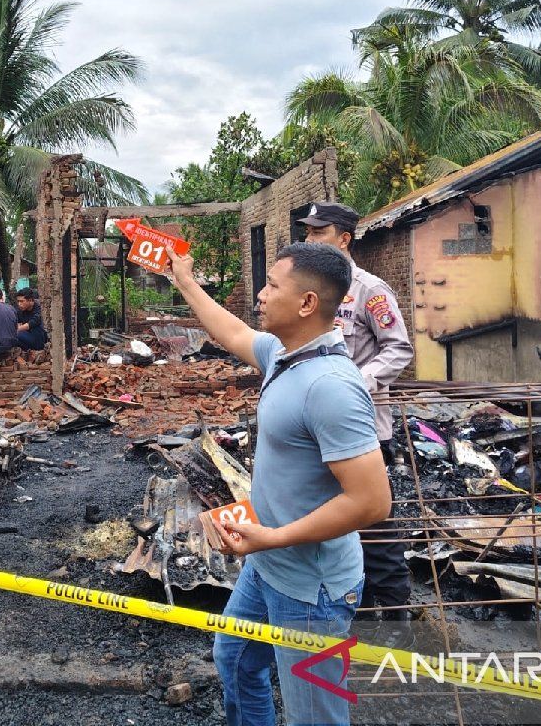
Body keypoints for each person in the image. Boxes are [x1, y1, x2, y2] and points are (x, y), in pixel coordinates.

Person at [166, 241, 391, 726]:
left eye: (272, 285)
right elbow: (232, 331)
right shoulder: (283, 356)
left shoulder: (329, 386)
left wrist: (275, 536)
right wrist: (185, 280)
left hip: (311, 589)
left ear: (308, 303)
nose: (261, 295)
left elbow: (372, 502)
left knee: (316, 717)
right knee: (236, 660)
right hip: (267, 565)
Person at [300, 201, 415, 642]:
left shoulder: (370, 290)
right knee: (335, 525)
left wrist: (355, 382)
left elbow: (398, 349)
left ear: (344, 238)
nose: (310, 240)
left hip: (363, 429)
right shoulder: (311, 292)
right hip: (317, 432)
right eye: (308, 233)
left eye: (318, 233)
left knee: (376, 527)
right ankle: (356, 617)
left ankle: (400, 626)